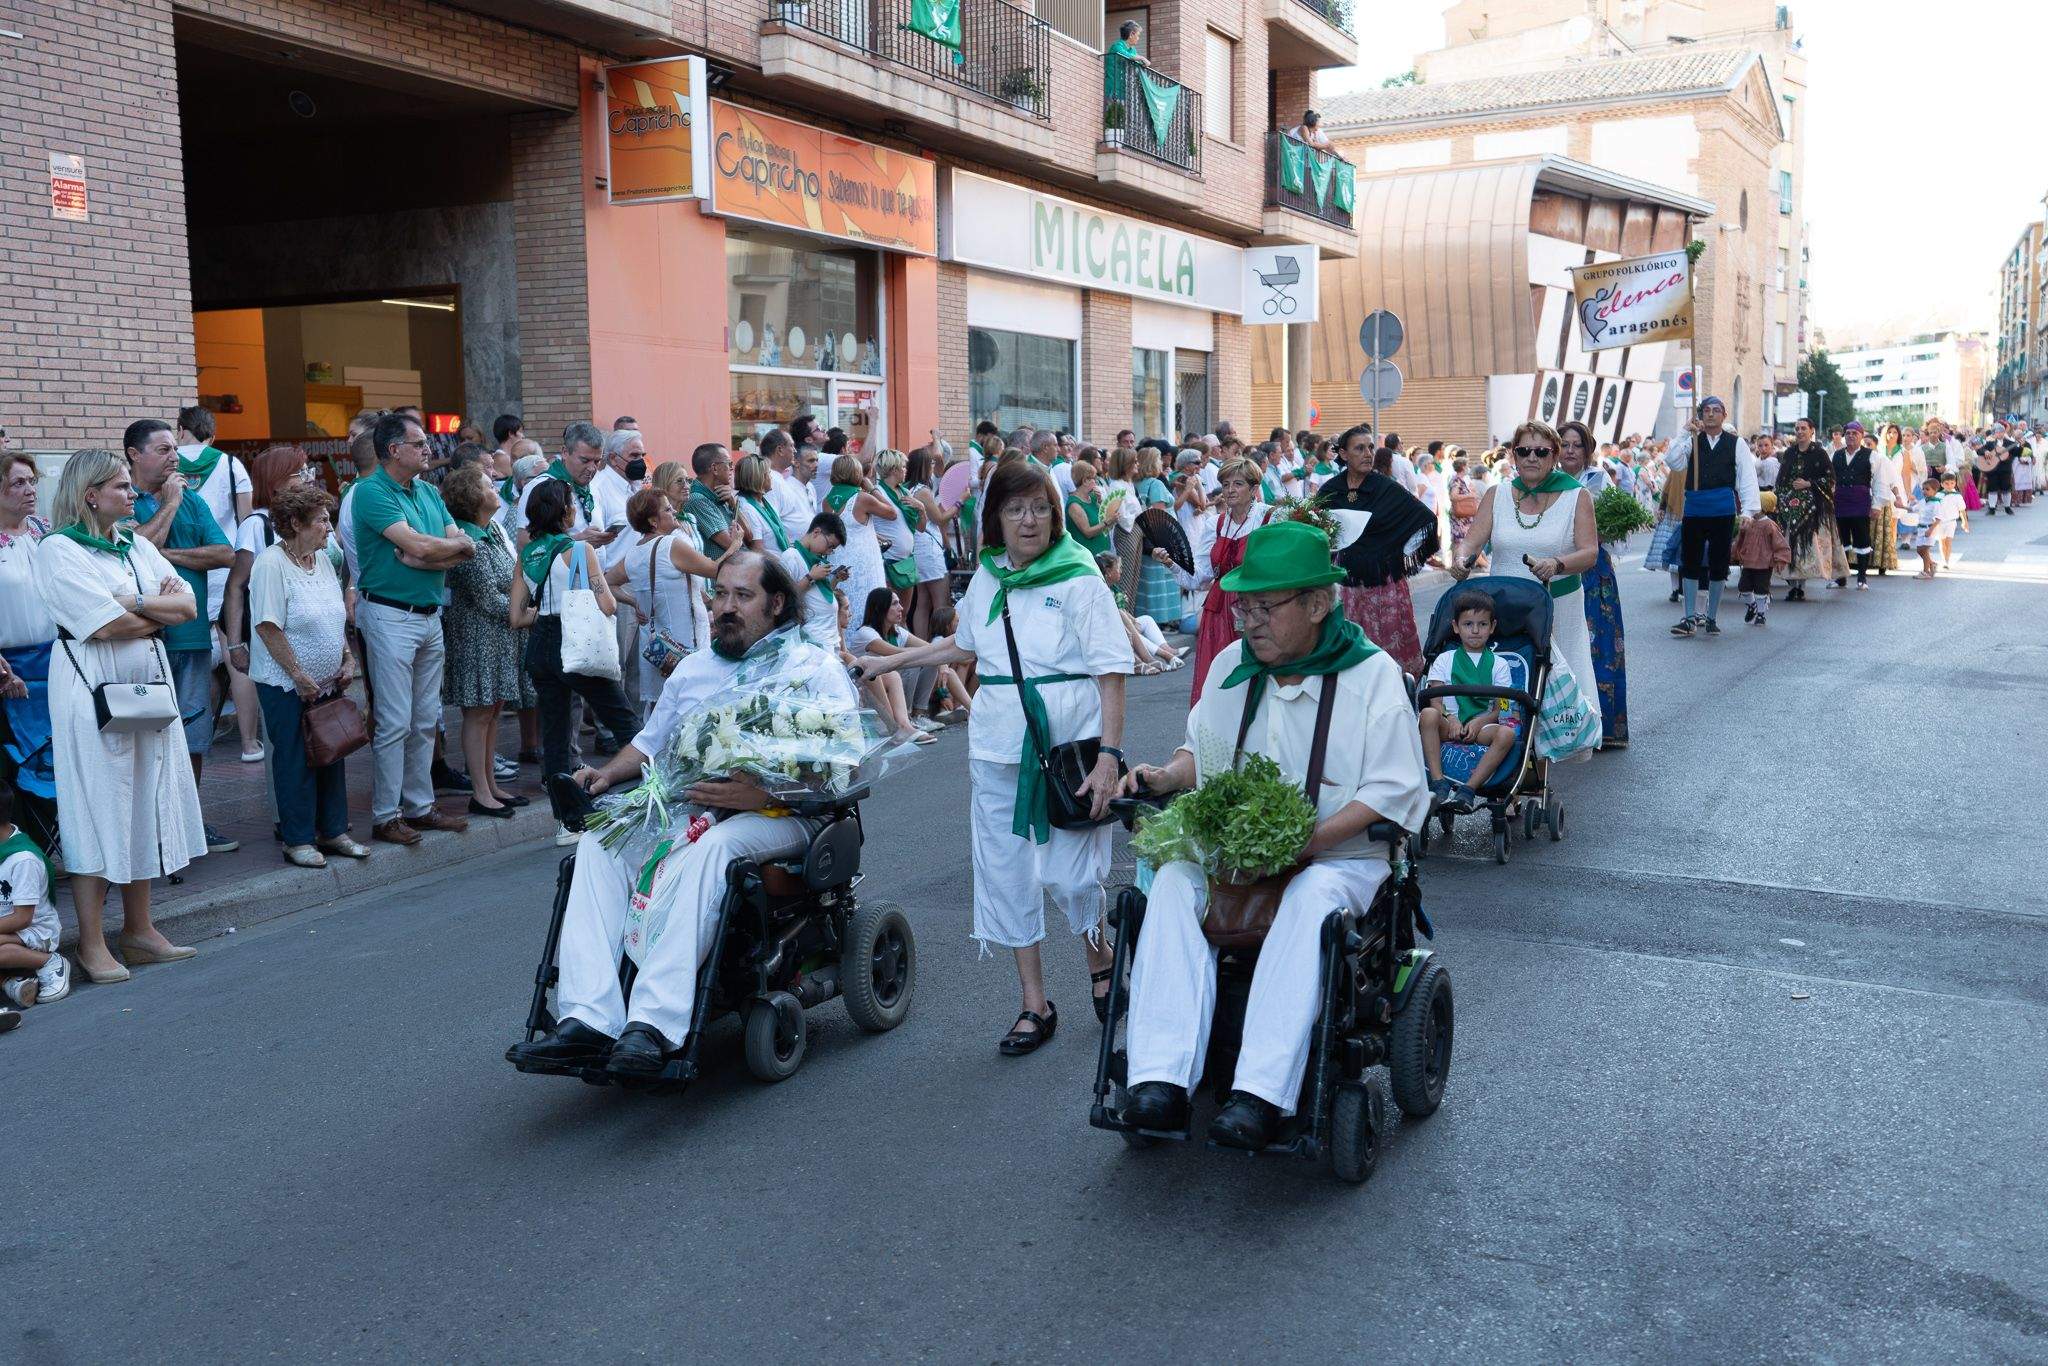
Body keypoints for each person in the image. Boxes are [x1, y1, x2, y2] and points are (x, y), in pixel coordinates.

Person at [1116, 519, 1430, 1147]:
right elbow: (1200, 754)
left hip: (1338, 857)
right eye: (1243, 605)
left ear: (1317, 603)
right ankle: (1159, 1081)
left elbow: (1394, 792)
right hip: (1237, 855)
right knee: (1173, 880)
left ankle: (1259, 1094)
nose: (1248, 620)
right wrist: (1162, 775)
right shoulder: (1235, 664)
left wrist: (1306, 844)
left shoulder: (1372, 677)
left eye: (1265, 605)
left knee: (1310, 899)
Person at [508, 552, 861, 1074]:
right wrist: (604, 776)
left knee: (714, 847)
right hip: (694, 806)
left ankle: (653, 1024)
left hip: (779, 816)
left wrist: (764, 795)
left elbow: (844, 768)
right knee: (600, 841)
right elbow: (649, 745)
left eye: (743, 596)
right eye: (720, 594)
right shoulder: (695, 668)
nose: (726, 608)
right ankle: (588, 1018)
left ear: (777, 603)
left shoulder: (813, 667)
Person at [858, 460, 1131, 1050]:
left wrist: (1110, 756)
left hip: (1068, 750)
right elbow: (963, 646)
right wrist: (892, 662)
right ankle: (1034, 1004)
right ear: (996, 520)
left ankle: (1100, 958)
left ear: (1056, 515)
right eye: (1015, 509)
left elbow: (1111, 670)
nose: (1028, 520)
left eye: (1039, 507)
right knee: (1006, 874)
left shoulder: (1080, 577)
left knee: (1069, 872)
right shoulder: (988, 577)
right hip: (998, 747)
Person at [32, 447, 208, 983]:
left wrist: (128, 600)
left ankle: (138, 930)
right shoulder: (58, 549)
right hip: (89, 691)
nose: (135, 495)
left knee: (146, 797)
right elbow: (101, 628)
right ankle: (91, 943)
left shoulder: (133, 545)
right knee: (96, 803)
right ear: (91, 495)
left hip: (145, 687)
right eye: (122, 488)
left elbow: (188, 609)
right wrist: (149, 608)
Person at [350, 411, 475, 846]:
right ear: (392, 450)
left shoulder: (427, 490)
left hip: (427, 613)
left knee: (425, 719)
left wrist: (425, 556)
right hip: (388, 614)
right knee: (394, 721)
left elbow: (463, 546)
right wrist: (431, 550)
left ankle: (420, 807)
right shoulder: (369, 492)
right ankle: (386, 815)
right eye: (419, 443)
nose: (428, 450)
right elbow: (422, 544)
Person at [1452, 422, 1601, 753]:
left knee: (1554, 681)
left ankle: (1552, 749)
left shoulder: (1576, 495)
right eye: (1524, 451)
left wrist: (1557, 564)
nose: (1531, 457)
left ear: (1554, 456)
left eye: (1541, 451)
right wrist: (1461, 560)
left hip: (1557, 604)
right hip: (1506, 606)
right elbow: (1471, 542)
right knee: (1511, 676)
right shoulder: (1498, 494)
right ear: (1513, 455)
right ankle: (1511, 750)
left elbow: (1590, 552)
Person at [127, 419, 238, 854]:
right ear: (135, 455)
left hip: (190, 638)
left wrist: (161, 554)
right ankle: (149, 827)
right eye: (163, 450)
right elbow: (128, 547)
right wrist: (169, 505)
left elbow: (224, 553)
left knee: (193, 735)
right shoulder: (123, 499)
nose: (175, 458)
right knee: (145, 735)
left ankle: (188, 819)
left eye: (176, 449)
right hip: (143, 639)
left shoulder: (193, 501)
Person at [510, 479, 642, 844]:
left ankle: (564, 821)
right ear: (564, 511)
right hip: (578, 644)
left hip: (541, 646)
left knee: (554, 736)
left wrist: (548, 613)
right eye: (571, 504)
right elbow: (607, 605)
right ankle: (651, 791)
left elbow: (517, 618)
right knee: (624, 719)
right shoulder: (580, 550)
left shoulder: (528, 554)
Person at [246, 478, 369, 865]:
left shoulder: (323, 560)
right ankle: (298, 840)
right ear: (296, 523)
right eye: (321, 520)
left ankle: (334, 831)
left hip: (328, 680)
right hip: (286, 683)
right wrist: (298, 674)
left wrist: (346, 659)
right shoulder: (271, 563)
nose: (329, 528)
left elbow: (334, 617)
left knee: (332, 752)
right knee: (295, 758)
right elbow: (267, 626)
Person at [437, 464, 531, 818]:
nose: (495, 488)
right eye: (488, 484)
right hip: (476, 636)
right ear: (473, 496)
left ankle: (491, 784)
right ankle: (480, 791)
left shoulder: (490, 531)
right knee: (477, 715)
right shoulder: (467, 538)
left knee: (491, 712)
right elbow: (487, 598)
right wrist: (532, 611)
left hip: (499, 635)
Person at [1314, 425, 1438, 676]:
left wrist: (1398, 557)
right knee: (1345, 654)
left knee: (1386, 657)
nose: (1368, 453)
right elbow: (1314, 528)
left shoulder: (1386, 488)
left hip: (1383, 586)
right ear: (1344, 454)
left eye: (1371, 447)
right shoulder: (1331, 490)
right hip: (1343, 584)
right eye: (1360, 448)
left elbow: (1425, 519)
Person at [0, 453, 58, 855]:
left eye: (32, 481)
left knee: (56, 757)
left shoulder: (44, 530)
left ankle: (52, 844)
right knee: (18, 763)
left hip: (54, 662)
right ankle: (27, 853)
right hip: (10, 668)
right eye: (18, 482)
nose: (30, 489)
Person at [1556, 421, 1627, 746]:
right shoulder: (1545, 483)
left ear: (1587, 450)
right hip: (1555, 571)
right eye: (1565, 444)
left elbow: (1613, 530)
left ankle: (1606, 726)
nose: (1571, 450)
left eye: (1577, 445)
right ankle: (1563, 726)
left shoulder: (1598, 481)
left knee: (1600, 647)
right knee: (1560, 648)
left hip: (1592, 573)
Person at [1662, 397, 1759, 634]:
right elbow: (1673, 461)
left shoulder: (1736, 443)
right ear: (1701, 415)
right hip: (1695, 508)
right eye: (1706, 410)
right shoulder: (1692, 441)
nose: (1711, 414)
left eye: (1716, 411)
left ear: (1724, 415)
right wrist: (1685, 433)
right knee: (1690, 562)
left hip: (1722, 509)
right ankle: (1689, 618)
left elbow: (1747, 477)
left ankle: (1712, 617)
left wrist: (1748, 511)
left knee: (1718, 563)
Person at [1418, 590, 1521, 804]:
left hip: (1482, 726)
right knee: (1427, 713)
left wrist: (1480, 722)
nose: (1475, 630)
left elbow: (1501, 707)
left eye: (1482, 624)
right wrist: (1451, 719)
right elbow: (1435, 700)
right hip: (1448, 723)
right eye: (1468, 624)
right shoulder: (1444, 660)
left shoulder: (1500, 665)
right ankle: (1438, 782)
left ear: (1492, 627)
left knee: (1507, 734)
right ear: (1456, 626)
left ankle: (1469, 789)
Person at [1185, 457, 1269, 697]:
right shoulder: (1215, 523)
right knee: (1218, 673)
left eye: (1238, 484)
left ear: (1253, 489)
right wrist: (1172, 563)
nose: (1230, 490)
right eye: (1226, 484)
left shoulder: (1269, 518)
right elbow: (1200, 575)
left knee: (1253, 671)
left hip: (1255, 604)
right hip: (1220, 608)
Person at [847, 588, 969, 728]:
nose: (901, 608)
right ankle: (908, 717)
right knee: (913, 662)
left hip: (896, 683)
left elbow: (929, 649)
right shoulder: (866, 634)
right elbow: (898, 653)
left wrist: (941, 662)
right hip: (870, 690)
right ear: (879, 608)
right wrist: (937, 657)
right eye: (895, 604)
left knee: (933, 662)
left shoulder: (898, 631)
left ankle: (921, 715)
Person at [0, 774, 69, 1009]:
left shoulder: (22, 859)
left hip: (35, 931)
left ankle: (50, 962)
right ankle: (13, 983)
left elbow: (23, 918)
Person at [1777, 417, 1846, 600]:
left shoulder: (1819, 453)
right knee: (1791, 545)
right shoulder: (1790, 453)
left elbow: (1830, 479)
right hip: (1790, 508)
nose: (1800, 431)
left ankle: (1801, 585)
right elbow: (1781, 479)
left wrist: (1809, 484)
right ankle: (1793, 586)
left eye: (1803, 428)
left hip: (1813, 509)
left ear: (1811, 431)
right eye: (1797, 428)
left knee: (1808, 546)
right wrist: (1784, 496)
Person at [821, 454, 894, 615]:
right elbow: (892, 513)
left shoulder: (826, 501)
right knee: (869, 607)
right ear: (857, 474)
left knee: (843, 608)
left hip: (838, 561)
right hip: (863, 564)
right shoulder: (862, 498)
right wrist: (872, 488)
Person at [779, 511, 849, 651]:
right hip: (813, 643)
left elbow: (816, 596)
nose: (829, 552)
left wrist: (835, 579)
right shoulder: (791, 556)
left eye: (832, 549)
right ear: (816, 532)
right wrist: (810, 577)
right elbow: (785, 599)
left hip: (829, 640)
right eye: (830, 546)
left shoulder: (815, 559)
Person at [1731, 496, 1790, 627]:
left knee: (1761, 589)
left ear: (1763, 509)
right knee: (1743, 587)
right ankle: (1752, 606)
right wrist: (1735, 552)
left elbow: (1779, 543)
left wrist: (1780, 558)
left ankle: (1761, 614)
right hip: (1748, 562)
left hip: (1764, 563)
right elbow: (1740, 539)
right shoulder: (1748, 522)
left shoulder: (1769, 525)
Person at [1905, 477, 1941, 578]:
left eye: (1927, 489)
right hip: (1921, 529)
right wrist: (1901, 506)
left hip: (1929, 529)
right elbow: (1913, 508)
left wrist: (1930, 530)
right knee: (1919, 550)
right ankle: (1932, 564)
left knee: (1924, 550)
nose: (1924, 491)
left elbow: (1938, 519)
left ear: (1935, 491)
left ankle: (1925, 572)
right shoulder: (1923, 501)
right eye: (1923, 489)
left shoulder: (1936, 503)